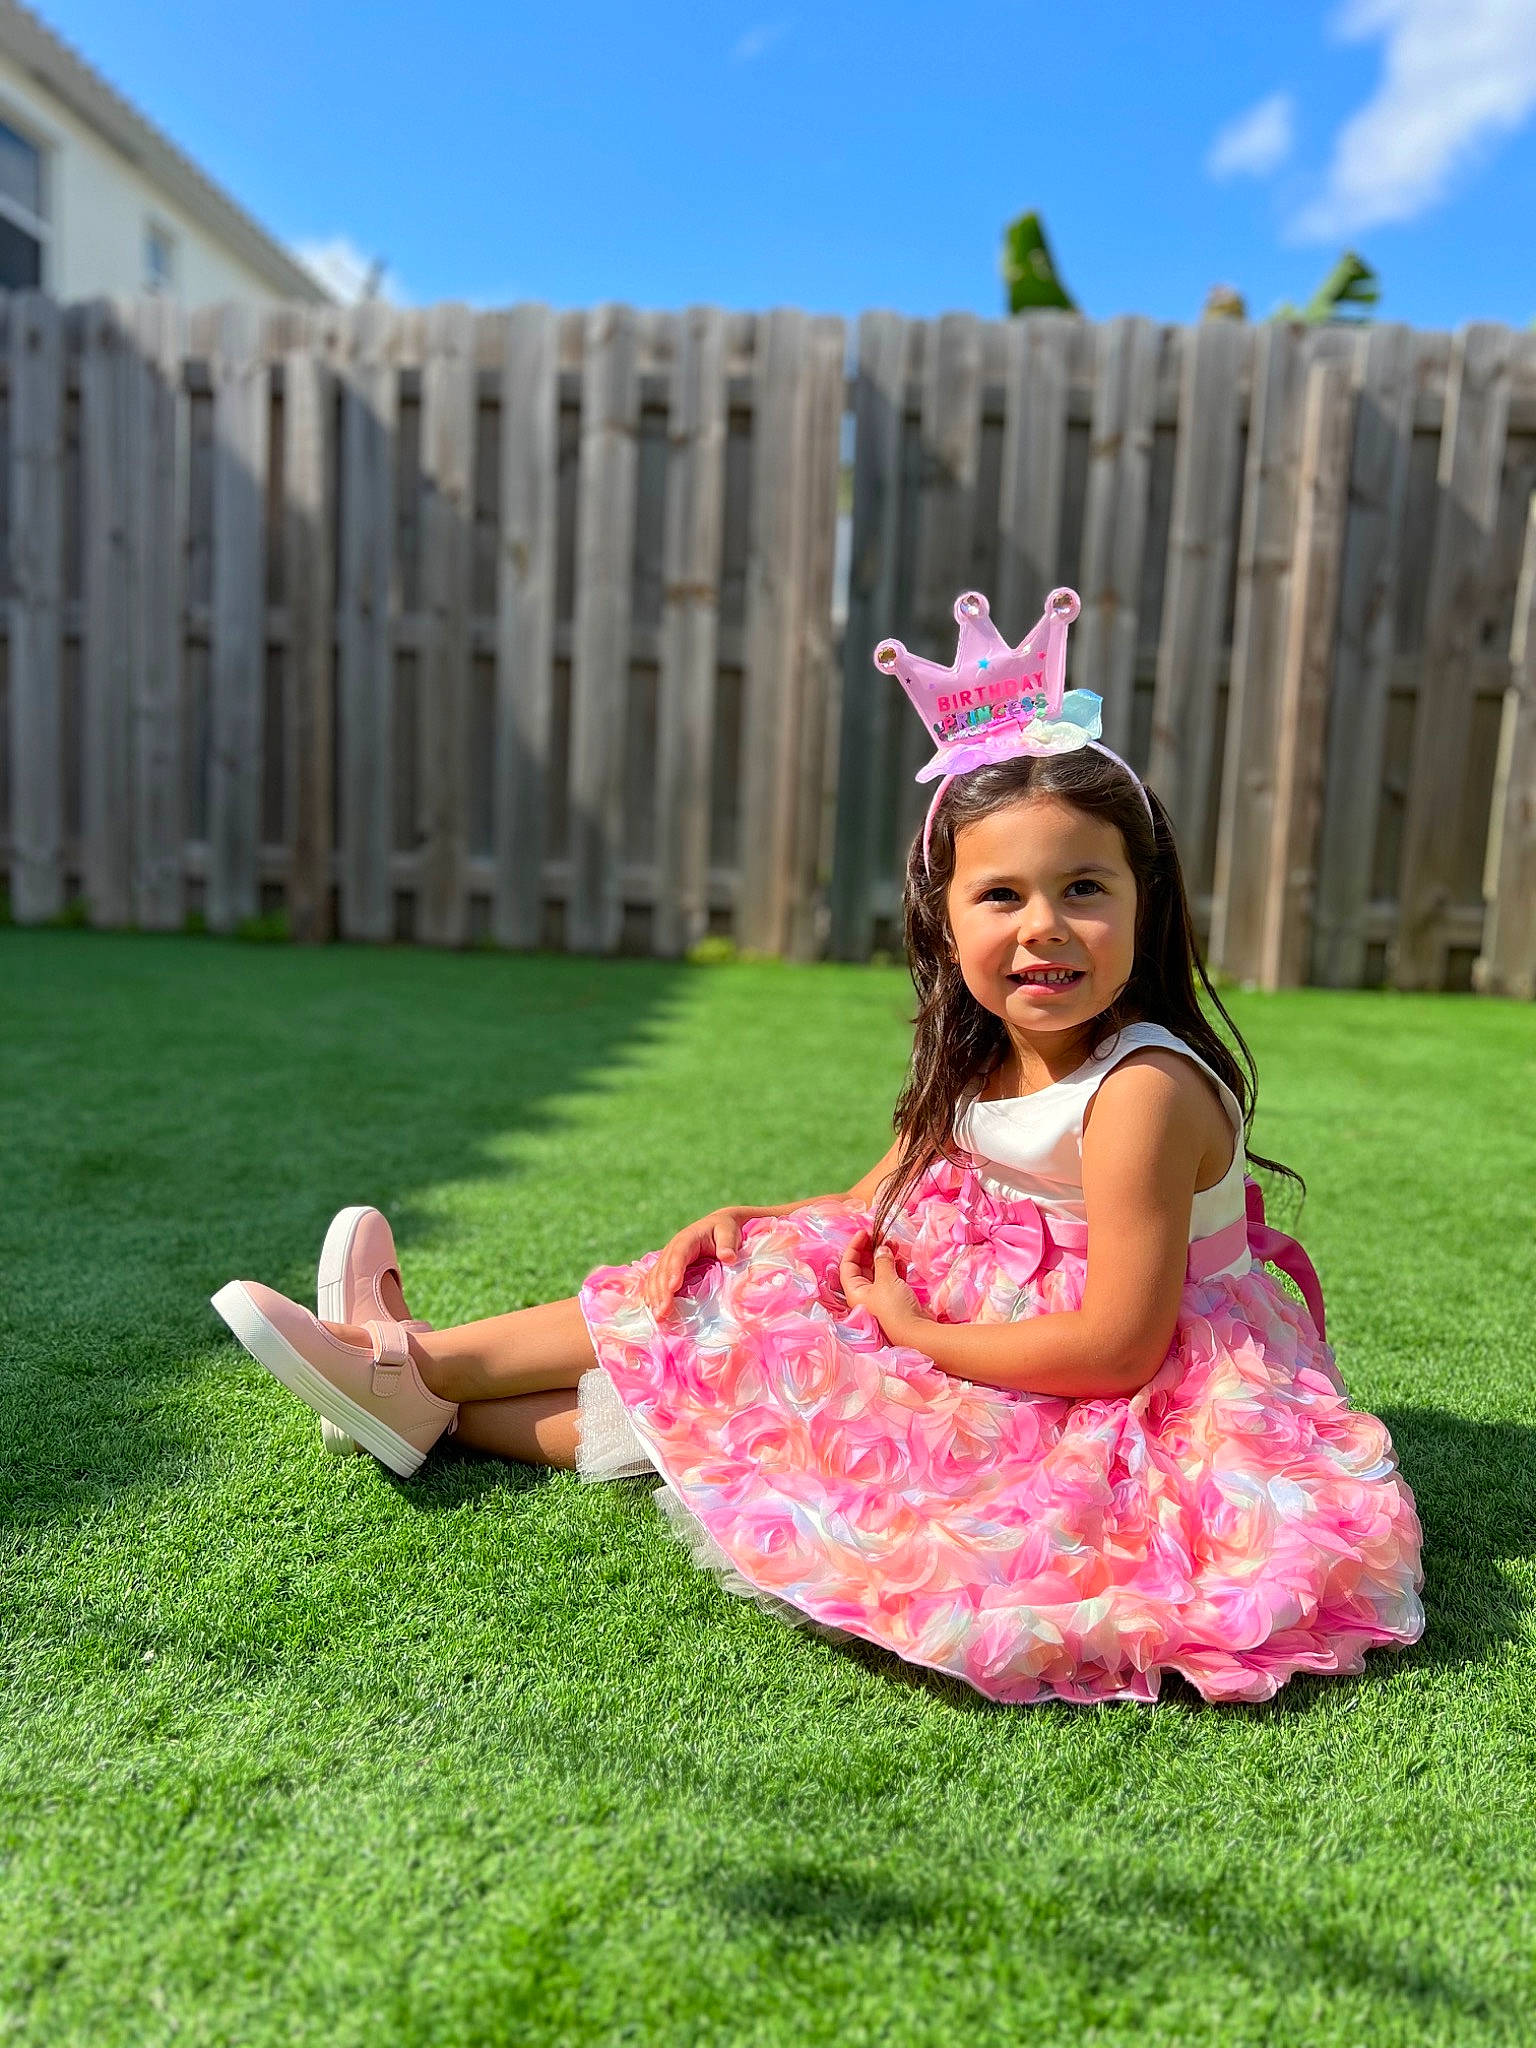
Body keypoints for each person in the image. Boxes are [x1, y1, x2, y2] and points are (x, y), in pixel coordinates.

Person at [212, 587, 1424, 1706]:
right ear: (944, 920)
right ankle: (410, 1378)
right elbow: (878, 1195)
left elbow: (1117, 1346)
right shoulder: (986, 1056)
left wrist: (917, 1334)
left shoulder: (1142, 1090)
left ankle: (401, 1371)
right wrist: (759, 1222)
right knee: (746, 1281)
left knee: (826, 1422)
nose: (1044, 927)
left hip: (1127, 1391)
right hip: (982, 1310)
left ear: (1142, 902)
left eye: (1085, 889)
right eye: (1002, 896)